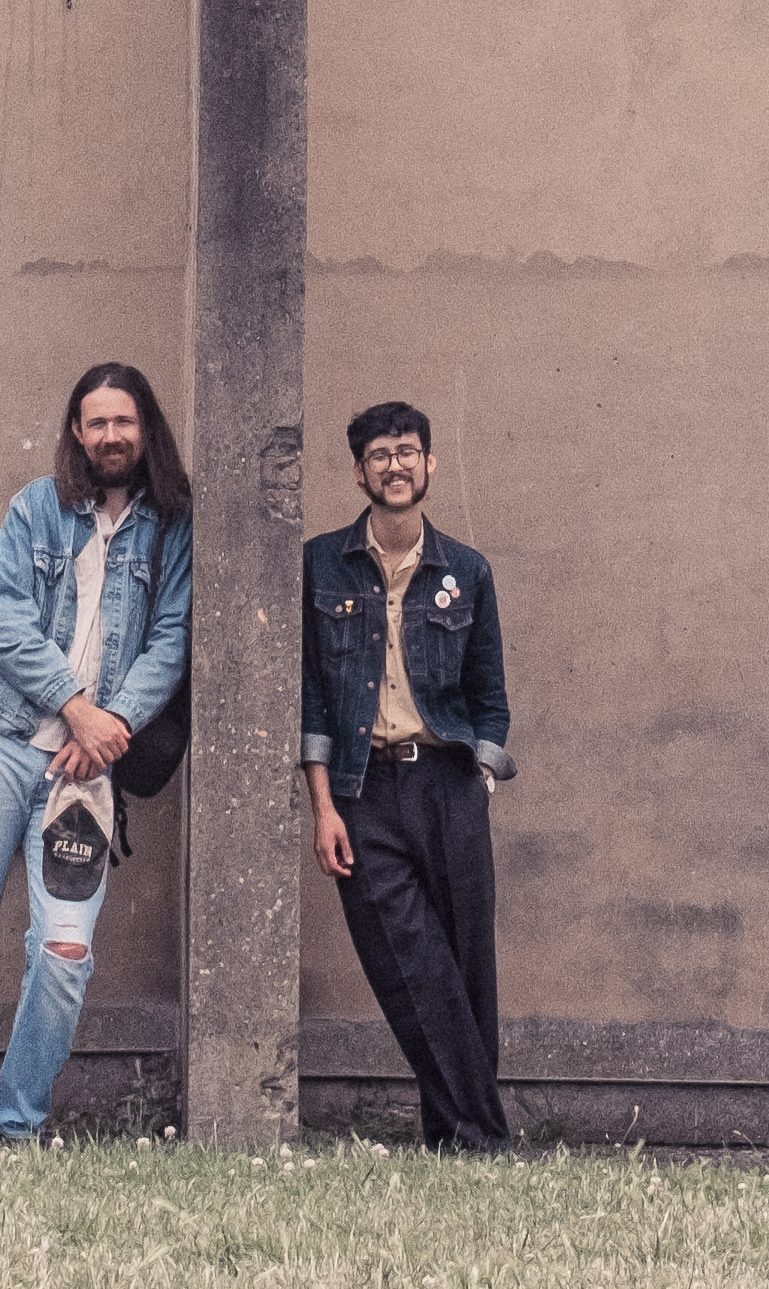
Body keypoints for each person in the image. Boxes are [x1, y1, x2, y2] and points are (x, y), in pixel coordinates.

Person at [0, 363, 194, 1141]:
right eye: (96, 422)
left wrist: (111, 725)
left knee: (64, 949)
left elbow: (171, 640)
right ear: (76, 430)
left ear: (145, 427)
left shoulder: (172, 524)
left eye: (123, 421)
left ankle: (19, 1120)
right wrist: (78, 709)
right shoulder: (36, 506)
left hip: (85, 771)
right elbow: (2, 625)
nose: (110, 435)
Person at [302, 398, 514, 1155]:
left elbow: (490, 700)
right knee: (410, 964)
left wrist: (478, 781)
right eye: (380, 455)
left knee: (466, 968)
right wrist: (323, 806)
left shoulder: (468, 570)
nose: (395, 466)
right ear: (359, 472)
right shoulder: (319, 564)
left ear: (429, 464)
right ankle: (484, 1137)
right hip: (362, 790)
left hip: (448, 786)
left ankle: (455, 1137)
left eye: (407, 452)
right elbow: (311, 698)